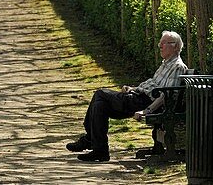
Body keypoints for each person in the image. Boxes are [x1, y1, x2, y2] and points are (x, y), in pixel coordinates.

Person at [65, 30, 188, 163]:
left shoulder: (177, 67)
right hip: (138, 98)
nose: (160, 46)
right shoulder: (166, 64)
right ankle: (100, 151)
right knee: (100, 105)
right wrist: (133, 88)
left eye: (163, 43)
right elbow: (153, 86)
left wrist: (147, 111)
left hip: (144, 103)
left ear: (175, 46)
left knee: (100, 94)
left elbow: (167, 95)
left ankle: (90, 141)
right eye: (160, 43)